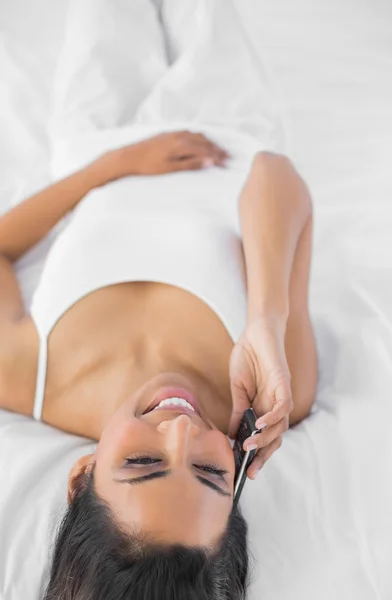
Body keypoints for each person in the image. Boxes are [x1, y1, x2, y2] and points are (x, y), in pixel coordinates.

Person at [0, 130, 317, 599]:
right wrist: (266, 321)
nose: (183, 431)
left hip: (98, 130)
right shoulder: (279, 386)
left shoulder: (27, 376)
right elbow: (274, 170)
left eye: (144, 461)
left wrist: (110, 164)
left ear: (82, 476)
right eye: (210, 473)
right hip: (230, 131)